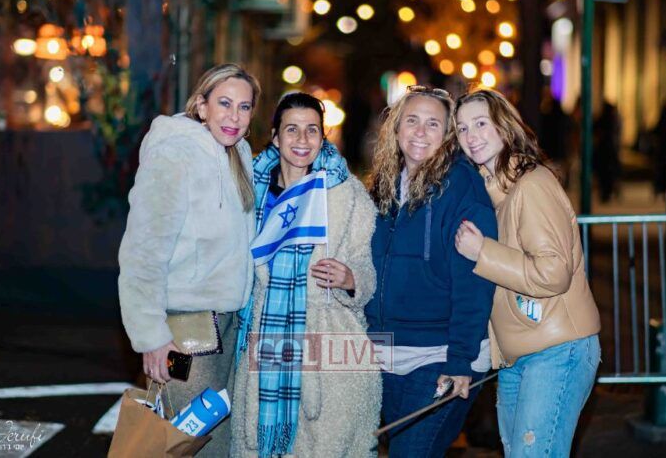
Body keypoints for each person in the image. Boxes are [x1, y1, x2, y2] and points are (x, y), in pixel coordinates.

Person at [118, 63, 260, 457]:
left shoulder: (239, 155)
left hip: (228, 327)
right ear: (201, 106)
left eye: (244, 107)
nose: (234, 116)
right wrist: (151, 337)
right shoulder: (174, 154)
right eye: (224, 103)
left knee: (213, 443)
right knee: (191, 443)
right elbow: (143, 251)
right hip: (183, 334)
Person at [230, 92, 381, 457]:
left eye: (312, 129)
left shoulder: (345, 193)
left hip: (329, 350)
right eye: (292, 129)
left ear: (322, 136)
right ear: (275, 136)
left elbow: (366, 267)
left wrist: (351, 279)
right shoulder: (249, 191)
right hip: (263, 339)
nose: (302, 139)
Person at [453, 89, 601, 458]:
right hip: (517, 356)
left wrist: (482, 252)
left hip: (556, 348)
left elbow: (553, 272)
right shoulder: (490, 196)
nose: (471, 136)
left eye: (481, 123)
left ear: (505, 127)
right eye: (462, 128)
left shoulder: (532, 184)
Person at [365, 85, 497, 458]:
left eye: (433, 124)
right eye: (412, 121)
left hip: (439, 356)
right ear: (396, 128)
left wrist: (460, 360)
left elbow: (474, 283)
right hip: (385, 357)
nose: (420, 132)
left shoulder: (461, 186)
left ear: (448, 135)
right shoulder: (384, 185)